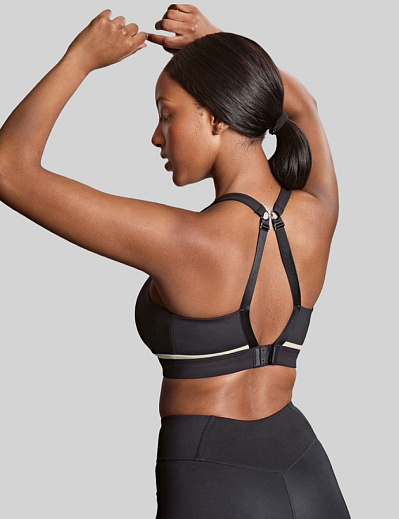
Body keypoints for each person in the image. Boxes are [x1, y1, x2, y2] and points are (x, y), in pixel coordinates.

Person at [0, 5, 351, 518]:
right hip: (305, 469)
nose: (157, 135)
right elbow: (306, 106)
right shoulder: (318, 212)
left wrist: (81, 58)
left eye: (167, 114)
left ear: (217, 117)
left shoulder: (183, 241)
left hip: (212, 477)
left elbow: (8, 170)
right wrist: (218, 43)